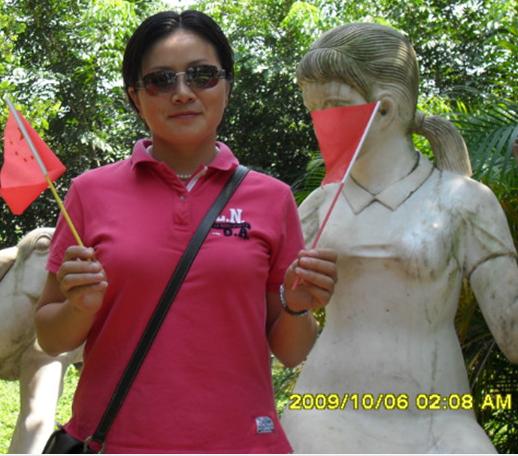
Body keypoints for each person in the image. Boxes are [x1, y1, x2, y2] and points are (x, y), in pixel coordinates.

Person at [34, 10, 337, 453]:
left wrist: (296, 306)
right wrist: (79, 307)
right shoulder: (89, 193)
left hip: (241, 444)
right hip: (119, 443)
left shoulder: (272, 199)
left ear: (227, 87)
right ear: (136, 96)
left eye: (202, 75)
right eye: (160, 80)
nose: (182, 93)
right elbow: (50, 336)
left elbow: (292, 352)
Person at [280, 23, 518, 453]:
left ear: (386, 108)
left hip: (437, 415)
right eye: (313, 108)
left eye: (333, 105)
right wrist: (293, 301)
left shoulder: (462, 201)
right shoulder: (317, 205)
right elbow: (283, 330)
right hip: (323, 408)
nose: (320, 121)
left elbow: (513, 336)